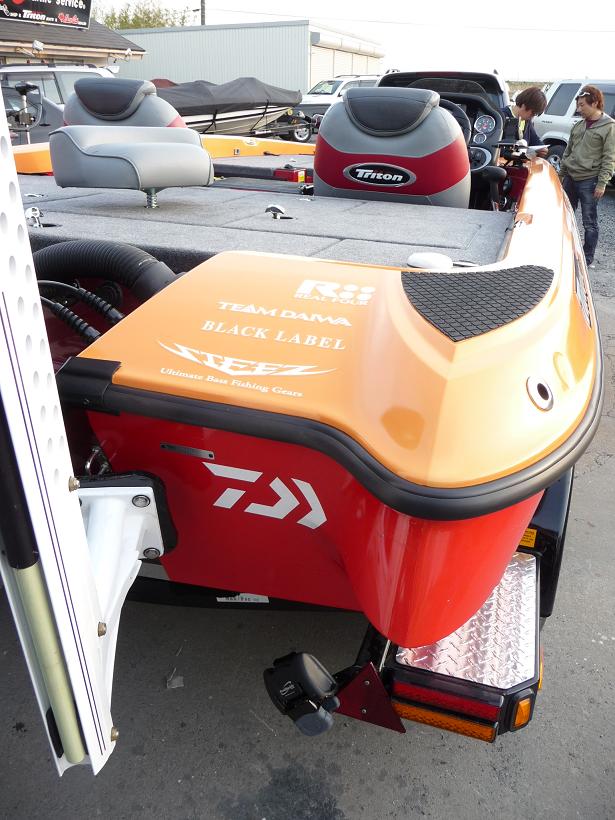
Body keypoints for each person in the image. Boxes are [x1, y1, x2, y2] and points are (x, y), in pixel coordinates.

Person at [560, 85, 615, 267]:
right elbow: (568, 151)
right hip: (570, 178)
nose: (579, 109)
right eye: (578, 105)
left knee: (589, 222)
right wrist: (562, 173)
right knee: (564, 216)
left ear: (595, 103)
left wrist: (602, 183)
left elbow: (609, 157)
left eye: (582, 105)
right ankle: (565, 250)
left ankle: (586, 258)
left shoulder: (609, 127)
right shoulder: (578, 125)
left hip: (589, 181)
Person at [504, 86, 548, 157]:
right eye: (532, 113)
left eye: (535, 114)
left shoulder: (525, 120)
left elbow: (534, 139)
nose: (532, 117)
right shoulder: (501, 117)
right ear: (524, 106)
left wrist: (542, 148)